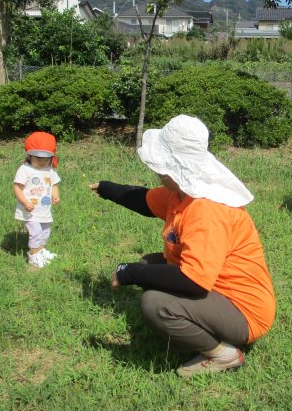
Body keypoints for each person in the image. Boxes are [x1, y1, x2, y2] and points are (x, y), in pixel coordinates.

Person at [89, 115, 275, 377]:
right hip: (216, 289)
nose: (156, 171)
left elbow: (193, 280)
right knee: (151, 263)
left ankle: (223, 354)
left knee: (155, 303)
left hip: (243, 311)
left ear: (174, 168)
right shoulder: (181, 192)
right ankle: (199, 326)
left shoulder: (206, 210)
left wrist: (129, 272)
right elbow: (145, 200)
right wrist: (107, 188)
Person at [13, 131, 60, 268]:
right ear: (29, 155)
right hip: (29, 211)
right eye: (39, 158)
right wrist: (25, 202)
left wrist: (55, 195)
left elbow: (54, 185)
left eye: (46, 159)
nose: (43, 162)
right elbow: (17, 187)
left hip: (44, 210)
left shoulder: (50, 170)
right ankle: (33, 256)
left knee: (45, 231)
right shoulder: (25, 169)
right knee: (36, 232)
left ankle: (40, 251)